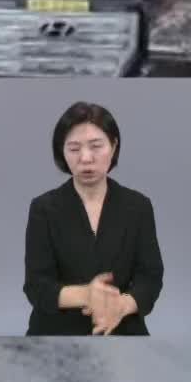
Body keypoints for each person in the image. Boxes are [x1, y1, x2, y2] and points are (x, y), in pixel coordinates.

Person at [23, 101, 163, 335]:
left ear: (114, 146)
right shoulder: (44, 208)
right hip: (56, 332)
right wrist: (87, 295)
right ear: (62, 152)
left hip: (122, 328)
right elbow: (37, 286)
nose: (86, 158)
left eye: (96, 146)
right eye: (74, 149)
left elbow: (150, 277)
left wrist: (121, 306)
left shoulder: (138, 206)